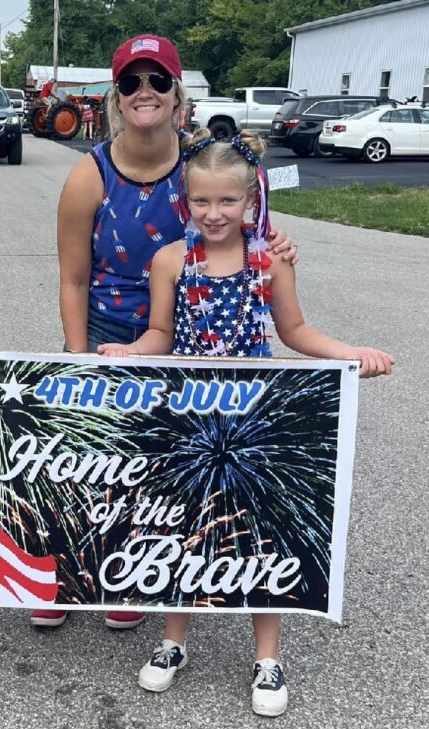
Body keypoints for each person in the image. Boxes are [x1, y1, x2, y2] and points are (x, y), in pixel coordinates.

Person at [98, 127, 394, 717]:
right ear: (186, 201)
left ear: (251, 201)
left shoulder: (270, 261)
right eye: (202, 201)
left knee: (264, 529)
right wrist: (131, 353)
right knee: (181, 528)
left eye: (227, 201)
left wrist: (348, 354)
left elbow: (294, 332)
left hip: (257, 418)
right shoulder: (170, 261)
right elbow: (159, 333)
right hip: (189, 418)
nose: (214, 213)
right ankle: (172, 640)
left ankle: (267, 655)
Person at [46, 34, 297, 632]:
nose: (145, 91)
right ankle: (62, 574)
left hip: (189, 335)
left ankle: (133, 573)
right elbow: (73, 279)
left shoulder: (205, 164)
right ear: (116, 96)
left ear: (177, 92)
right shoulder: (90, 175)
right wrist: (79, 358)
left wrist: (282, 244)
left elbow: (247, 231)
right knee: (84, 461)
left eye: (158, 80)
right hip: (108, 329)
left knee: (154, 467)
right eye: (131, 82)